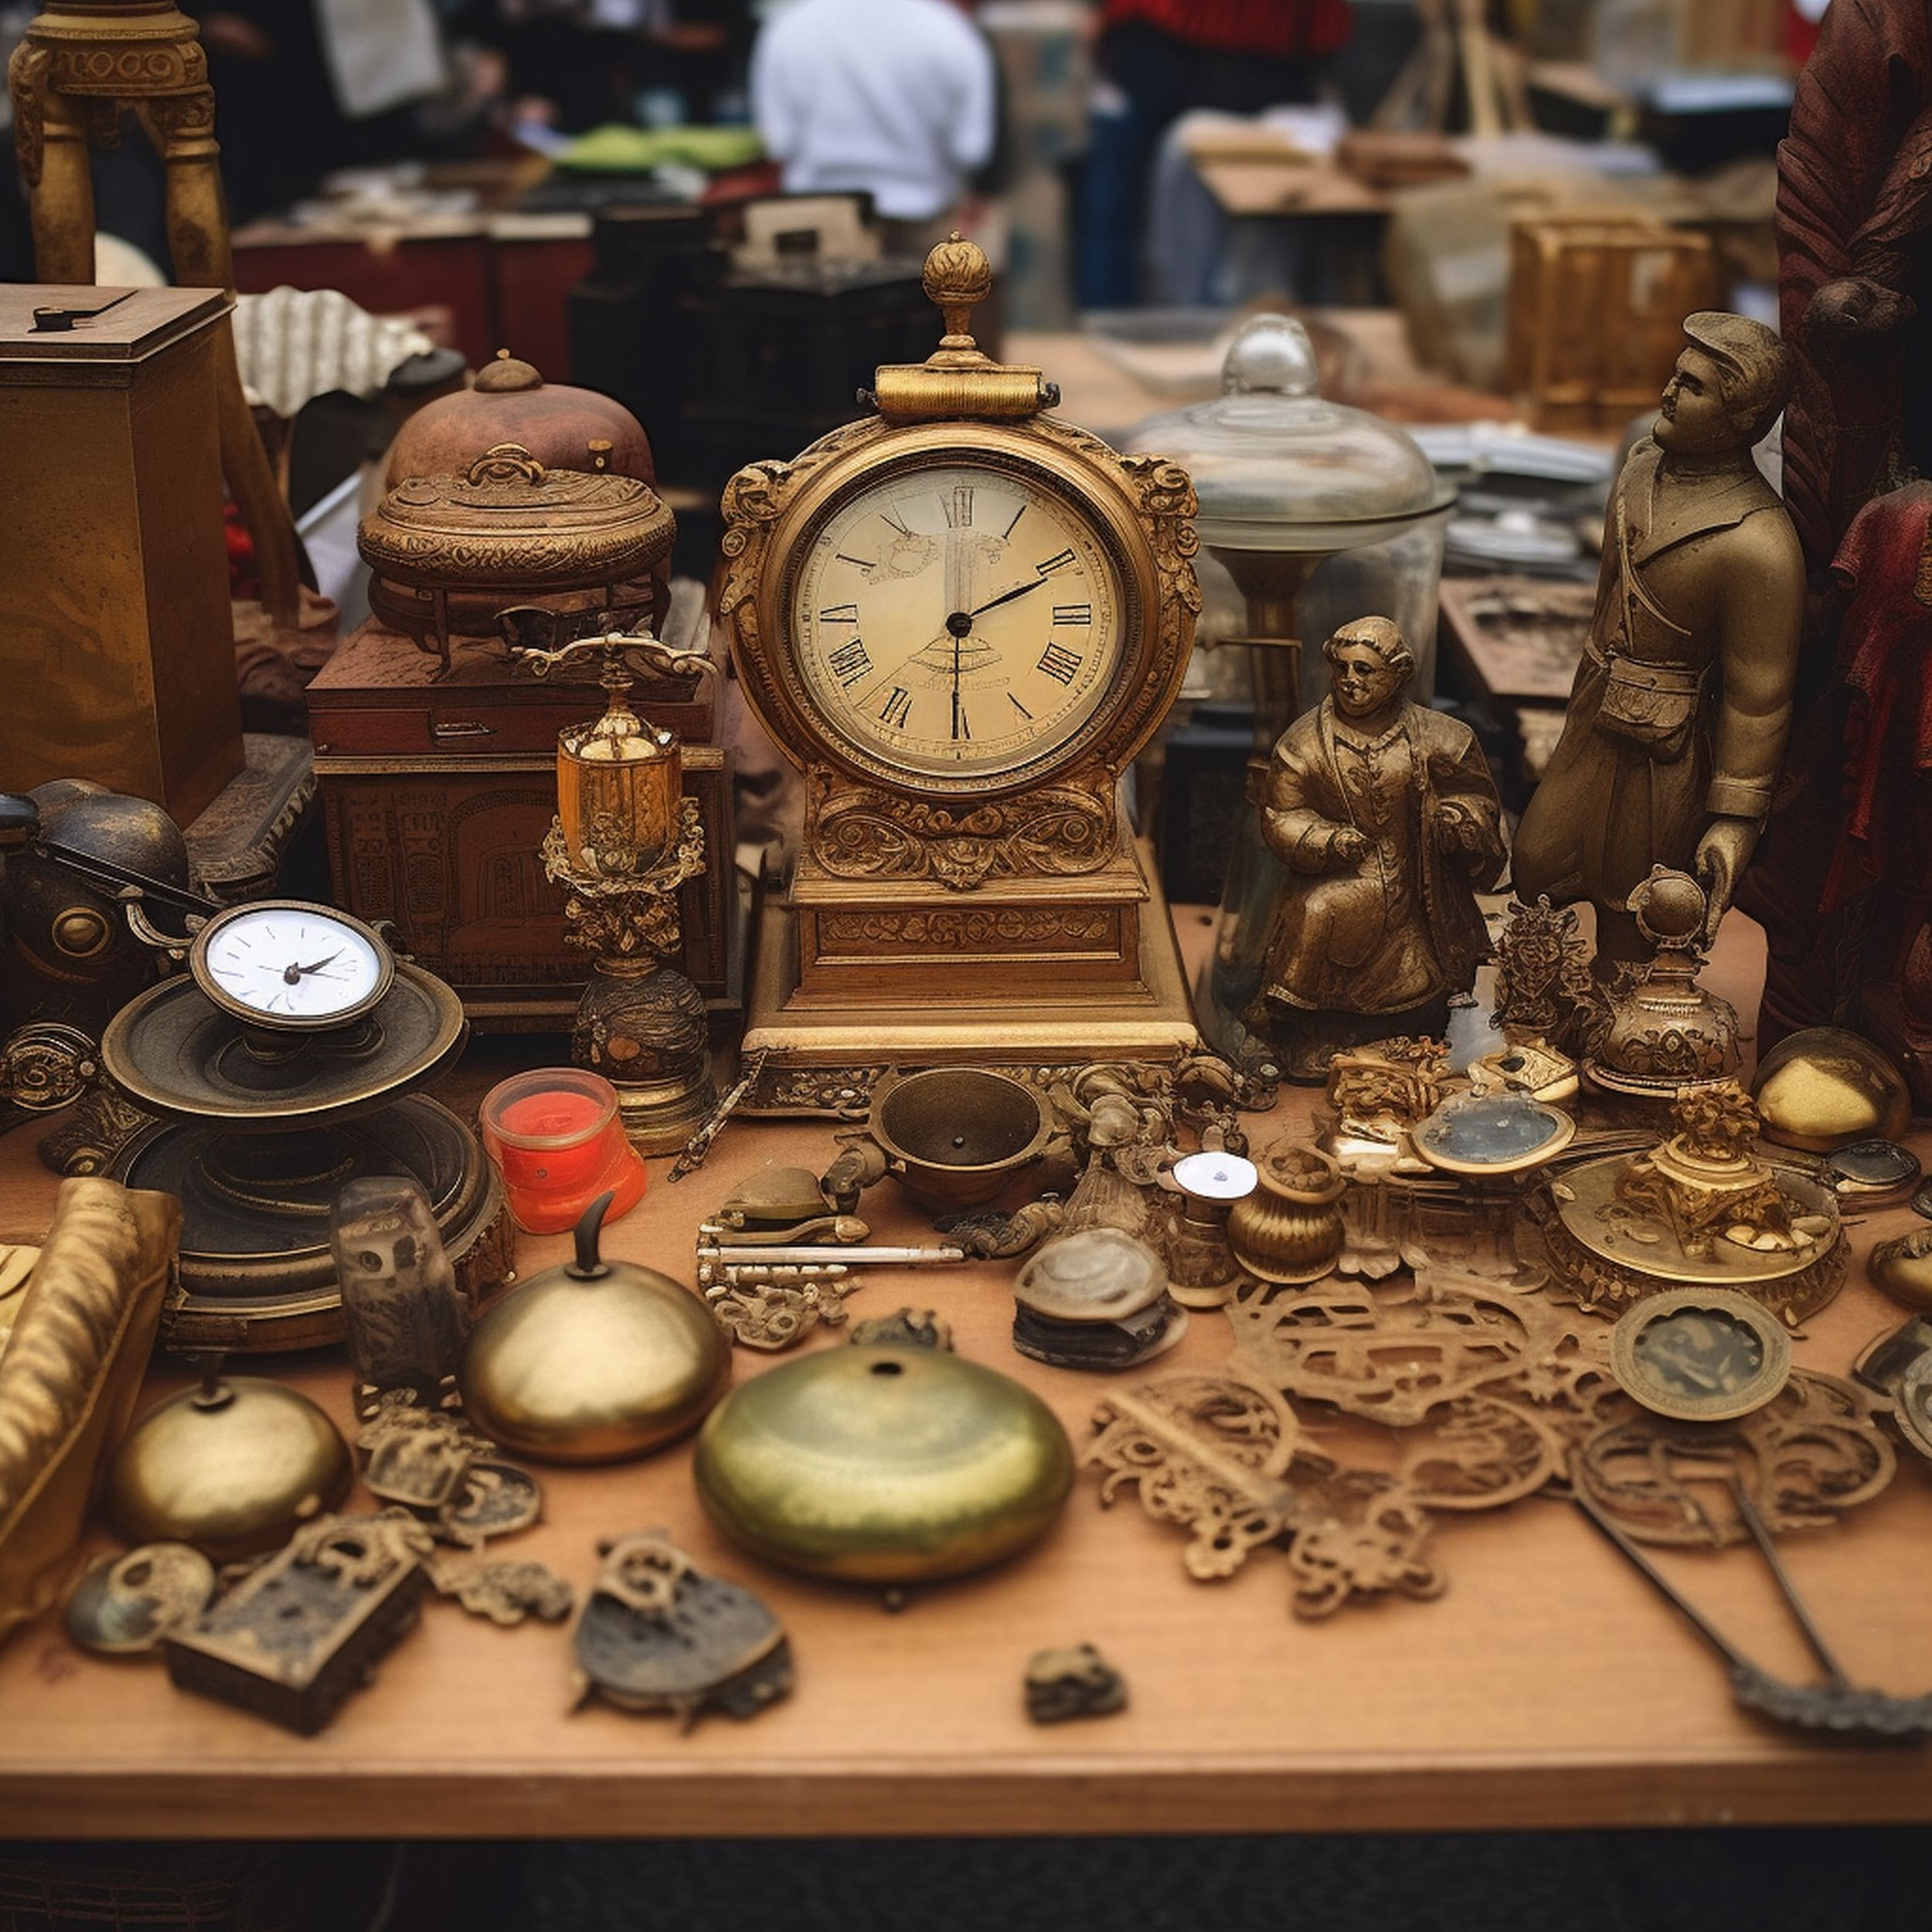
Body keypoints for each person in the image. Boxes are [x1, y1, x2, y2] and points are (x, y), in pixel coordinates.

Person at [1512, 313, 1803, 965]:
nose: (1669, 392)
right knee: (1536, 860)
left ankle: (1622, 1033)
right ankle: (1540, 1004)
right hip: (1594, 715)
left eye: (1694, 388)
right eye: (1676, 374)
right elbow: (1605, 604)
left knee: (1633, 903)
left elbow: (1759, 698)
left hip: (1667, 752)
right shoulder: (1640, 467)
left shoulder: (1759, 542)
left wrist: (1734, 818)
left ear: (1741, 422)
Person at [1249, 617, 1505, 1079]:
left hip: (1422, 895)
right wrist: (1327, 839)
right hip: (1348, 881)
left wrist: (1460, 820)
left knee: (1423, 983)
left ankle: (1414, 1030)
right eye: (1342, 668)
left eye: (1365, 670)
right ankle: (1315, 1030)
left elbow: (1479, 799)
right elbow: (1280, 815)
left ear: (1397, 675)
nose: (1350, 680)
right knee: (1317, 910)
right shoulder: (1304, 743)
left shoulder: (1443, 738)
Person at [1077, 0, 1352, 310]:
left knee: (1128, 206)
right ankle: (1113, 328)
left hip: (1268, 55)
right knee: (1122, 207)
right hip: (1171, 45)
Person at [749, 0, 996, 247]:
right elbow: (971, 150)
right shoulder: (951, 32)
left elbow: (777, 142)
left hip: (820, 223)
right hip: (924, 225)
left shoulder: (788, 29)